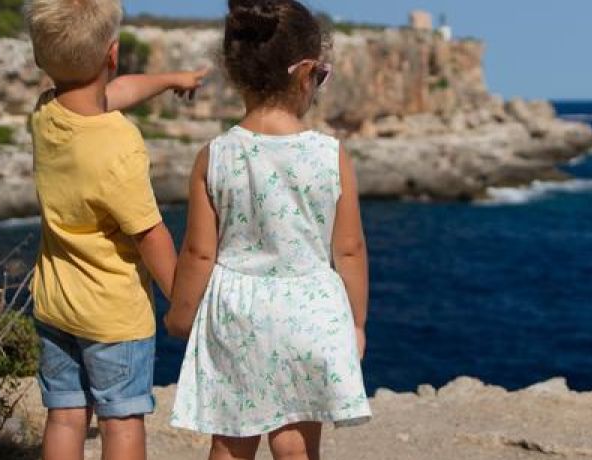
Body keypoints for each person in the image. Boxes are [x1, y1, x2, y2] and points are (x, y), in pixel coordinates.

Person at [164, 0, 372, 458]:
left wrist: (181, 314)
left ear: (237, 74)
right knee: (296, 446)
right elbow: (351, 250)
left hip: (236, 311)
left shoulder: (214, 155)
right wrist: (355, 324)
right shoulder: (330, 155)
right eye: (321, 77)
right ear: (305, 75)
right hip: (309, 312)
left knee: (231, 443)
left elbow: (198, 254)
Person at [23, 0, 206, 458]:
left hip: (56, 307)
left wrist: (168, 81)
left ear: (39, 58)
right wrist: (182, 305)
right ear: (113, 53)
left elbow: (113, 92)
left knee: (65, 416)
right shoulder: (119, 146)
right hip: (113, 318)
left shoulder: (45, 114)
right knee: (121, 422)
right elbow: (151, 236)